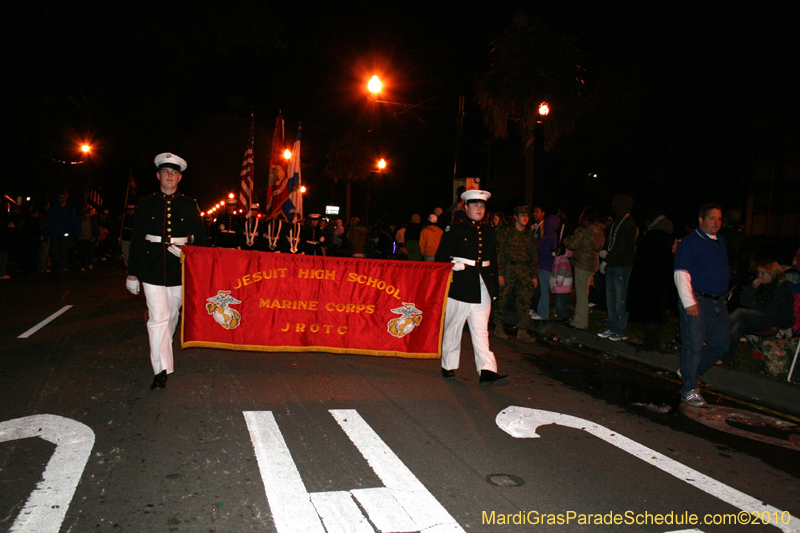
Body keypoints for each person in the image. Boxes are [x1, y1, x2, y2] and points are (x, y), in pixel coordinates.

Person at [126, 153, 207, 390]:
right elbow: (137, 240)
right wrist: (132, 274)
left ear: (179, 177)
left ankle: (163, 347)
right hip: (151, 267)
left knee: (172, 316)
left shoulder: (189, 204)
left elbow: (202, 238)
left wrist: (186, 247)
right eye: (165, 172)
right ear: (158, 176)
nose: (169, 176)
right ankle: (160, 369)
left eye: (173, 172)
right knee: (158, 317)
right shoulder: (146, 203)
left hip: (179, 268)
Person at [436, 190, 509, 386]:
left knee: (481, 331)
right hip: (460, 284)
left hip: (482, 285)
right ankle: (448, 365)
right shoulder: (455, 228)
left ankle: (487, 371)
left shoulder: (488, 230)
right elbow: (441, 256)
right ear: (466, 207)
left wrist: (493, 288)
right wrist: (452, 265)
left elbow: (492, 260)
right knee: (453, 328)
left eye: (482, 205)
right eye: (475, 205)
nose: (479, 208)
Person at [673, 203, 729, 407]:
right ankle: (689, 389)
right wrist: (689, 301)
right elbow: (681, 272)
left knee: (720, 344)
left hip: (718, 302)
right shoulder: (690, 242)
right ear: (701, 219)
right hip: (697, 300)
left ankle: (689, 371)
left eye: (719, 219)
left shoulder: (719, 241)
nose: (716, 222)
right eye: (712, 218)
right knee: (693, 345)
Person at [721, 259, 795, 366]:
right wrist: (753, 287)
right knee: (738, 325)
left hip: (772, 322)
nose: (759, 276)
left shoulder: (782, 290)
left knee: (740, 312)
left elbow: (772, 312)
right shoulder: (762, 286)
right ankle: (726, 359)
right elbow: (744, 301)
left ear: (771, 274)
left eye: (762, 273)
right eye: (758, 273)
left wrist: (754, 309)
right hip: (758, 320)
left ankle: (717, 332)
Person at [626, 209, 675, 349]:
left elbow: (643, 261)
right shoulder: (666, 237)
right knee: (656, 310)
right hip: (662, 280)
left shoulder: (653, 237)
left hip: (650, 280)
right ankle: (653, 340)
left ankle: (650, 342)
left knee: (651, 311)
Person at [494, 205, 538, 343]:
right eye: (522, 215)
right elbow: (498, 252)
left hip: (524, 270)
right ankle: (498, 325)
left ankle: (522, 330)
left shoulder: (529, 235)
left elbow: (533, 255)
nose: (525, 218)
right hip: (508, 269)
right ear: (515, 217)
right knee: (502, 298)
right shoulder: (506, 232)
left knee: (524, 300)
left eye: (527, 215)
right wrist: (500, 273)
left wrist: (534, 275)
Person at [597, 194, 637, 342]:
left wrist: (607, 259)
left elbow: (621, 247)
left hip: (621, 267)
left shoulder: (628, 223)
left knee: (620, 299)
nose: (613, 206)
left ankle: (620, 329)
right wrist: (604, 251)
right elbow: (611, 242)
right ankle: (611, 326)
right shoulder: (617, 222)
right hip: (613, 265)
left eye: (616, 203)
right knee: (611, 298)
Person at [564, 207, 605, 330]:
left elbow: (573, 244)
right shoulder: (600, 231)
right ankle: (580, 319)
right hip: (593, 262)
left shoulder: (583, 229)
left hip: (582, 262)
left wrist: (567, 240)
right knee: (585, 292)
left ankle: (580, 322)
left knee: (581, 293)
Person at [43, 190, 79, 280]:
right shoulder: (53, 208)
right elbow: (48, 220)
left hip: (65, 235)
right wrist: (46, 233)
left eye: (62, 197)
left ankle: (59, 273)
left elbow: (74, 222)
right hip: (55, 234)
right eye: (60, 197)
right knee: (54, 254)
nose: (61, 199)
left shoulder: (70, 209)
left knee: (63, 255)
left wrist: (75, 236)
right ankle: (56, 272)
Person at [531, 214, 561, 321]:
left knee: (544, 291)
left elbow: (544, 251)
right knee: (542, 290)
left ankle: (543, 314)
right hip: (544, 265)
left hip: (544, 266)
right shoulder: (551, 235)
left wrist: (537, 253)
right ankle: (540, 311)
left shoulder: (550, 236)